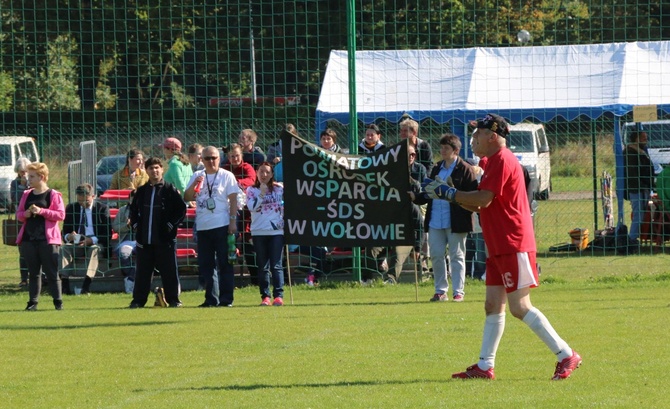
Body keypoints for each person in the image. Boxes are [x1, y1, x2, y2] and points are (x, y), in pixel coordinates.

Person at [423, 113, 581, 380]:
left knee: (519, 307)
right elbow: (477, 203)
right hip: (498, 244)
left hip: (512, 243)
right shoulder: (491, 161)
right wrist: (446, 193)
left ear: (492, 136)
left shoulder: (502, 160)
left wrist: (449, 193)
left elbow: (483, 199)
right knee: (492, 305)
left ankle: (566, 355)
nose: (472, 139)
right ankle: (485, 367)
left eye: (477, 134)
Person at [414, 134, 477, 301]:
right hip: (435, 219)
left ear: (455, 150)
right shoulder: (436, 168)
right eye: (441, 147)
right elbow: (428, 192)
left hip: (456, 220)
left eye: (446, 148)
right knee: (436, 254)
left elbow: (473, 195)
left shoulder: (465, 169)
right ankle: (440, 291)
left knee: (456, 256)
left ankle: (458, 292)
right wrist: (414, 197)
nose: (442, 151)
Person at [128, 157, 186, 308]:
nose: (154, 171)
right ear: (146, 171)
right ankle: (138, 301)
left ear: (162, 169)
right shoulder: (141, 191)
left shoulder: (169, 190)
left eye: (157, 168)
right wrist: (135, 226)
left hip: (165, 240)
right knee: (142, 273)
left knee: (169, 271)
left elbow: (181, 210)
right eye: (151, 168)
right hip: (144, 240)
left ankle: (173, 299)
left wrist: (169, 225)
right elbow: (133, 211)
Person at [184, 146, 239, 307]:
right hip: (202, 226)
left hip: (222, 224)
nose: (211, 161)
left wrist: (233, 221)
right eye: (207, 158)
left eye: (214, 158)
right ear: (201, 159)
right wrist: (195, 183)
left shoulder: (226, 175)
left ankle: (226, 299)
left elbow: (234, 199)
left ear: (219, 158)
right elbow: (187, 196)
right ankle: (211, 298)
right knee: (206, 265)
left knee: (225, 263)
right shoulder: (197, 175)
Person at [16, 162, 66, 310]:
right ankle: (33, 302)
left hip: (47, 240)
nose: (28, 179)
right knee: (33, 273)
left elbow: (61, 215)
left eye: (32, 176)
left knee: (51, 272)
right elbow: (19, 215)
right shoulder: (26, 195)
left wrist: (42, 211)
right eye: (28, 176)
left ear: (41, 177)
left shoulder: (53, 195)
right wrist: (25, 214)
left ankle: (58, 301)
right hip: (28, 239)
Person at [383, 144, 427, 284]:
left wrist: (418, 247)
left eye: (413, 154)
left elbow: (419, 224)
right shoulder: (390, 172)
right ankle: (370, 277)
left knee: (398, 250)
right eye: (408, 154)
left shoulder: (419, 170)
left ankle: (391, 279)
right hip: (387, 232)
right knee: (372, 248)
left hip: (406, 234)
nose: (411, 157)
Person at [59, 183, 111, 295]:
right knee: (64, 249)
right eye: (80, 201)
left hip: (95, 242)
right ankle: (65, 285)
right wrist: (69, 236)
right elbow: (64, 232)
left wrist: (91, 240)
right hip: (76, 243)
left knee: (94, 250)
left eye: (86, 201)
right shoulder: (71, 208)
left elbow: (107, 234)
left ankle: (86, 286)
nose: (82, 204)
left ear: (93, 196)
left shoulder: (102, 209)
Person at [246, 162, 285, 306]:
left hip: (276, 231)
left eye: (267, 172)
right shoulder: (251, 190)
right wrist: (262, 193)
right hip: (259, 231)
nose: (264, 175)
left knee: (276, 264)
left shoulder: (279, 189)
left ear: (272, 174)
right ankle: (265, 296)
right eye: (261, 172)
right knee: (262, 265)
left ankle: (278, 295)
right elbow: (252, 207)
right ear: (256, 173)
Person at [623, 130, 655, 242]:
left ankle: (635, 237)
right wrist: (647, 184)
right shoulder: (631, 153)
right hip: (637, 189)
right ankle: (631, 239)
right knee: (638, 214)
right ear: (636, 139)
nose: (646, 139)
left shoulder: (640, 151)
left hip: (643, 188)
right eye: (643, 137)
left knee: (641, 214)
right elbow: (637, 172)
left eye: (646, 137)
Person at [11, 157, 31, 287]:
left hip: (34, 219)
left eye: (25, 171)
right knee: (22, 250)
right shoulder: (14, 183)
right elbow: (14, 199)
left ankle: (37, 276)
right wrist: (22, 186)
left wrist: (28, 185)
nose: (23, 174)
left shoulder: (34, 180)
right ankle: (24, 278)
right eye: (20, 172)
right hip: (20, 219)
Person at [112, 189, 137, 293]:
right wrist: (126, 226)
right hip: (125, 241)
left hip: (142, 241)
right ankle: (130, 277)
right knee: (124, 253)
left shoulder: (147, 210)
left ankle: (130, 280)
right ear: (129, 199)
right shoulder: (123, 210)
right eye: (133, 198)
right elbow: (115, 227)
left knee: (145, 256)